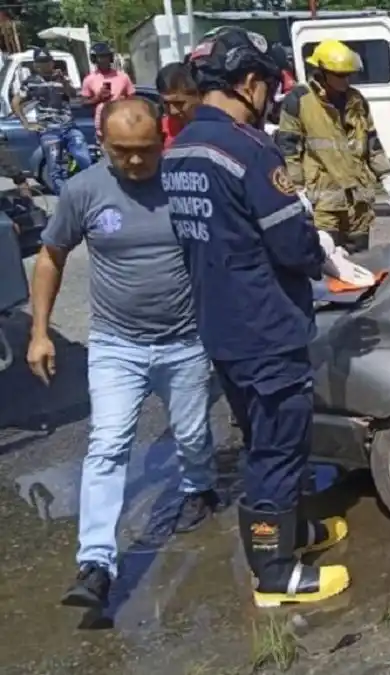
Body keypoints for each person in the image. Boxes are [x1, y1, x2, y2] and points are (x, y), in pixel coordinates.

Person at [161, 27, 351, 607]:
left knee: (260, 436)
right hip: (266, 326)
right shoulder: (249, 149)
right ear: (249, 83)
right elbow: (292, 246)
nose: (270, 96)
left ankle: (289, 535)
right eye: (267, 85)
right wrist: (322, 247)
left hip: (222, 325)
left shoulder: (184, 147)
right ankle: (275, 573)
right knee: (278, 447)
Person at [25, 98, 218, 610]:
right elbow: (50, 257)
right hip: (117, 346)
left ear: (163, 140)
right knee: (107, 445)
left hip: (185, 342)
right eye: (122, 152)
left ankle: (200, 486)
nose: (135, 162)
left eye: (146, 151)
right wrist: (40, 332)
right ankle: (95, 564)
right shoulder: (83, 190)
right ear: (102, 145)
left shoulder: (185, 184)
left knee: (195, 435)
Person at [275, 40, 390, 254]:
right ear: (322, 72)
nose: (347, 80)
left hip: (357, 199)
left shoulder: (356, 100)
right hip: (324, 201)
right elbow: (288, 147)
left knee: (361, 259)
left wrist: (386, 172)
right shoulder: (300, 99)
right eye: (341, 75)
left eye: (349, 75)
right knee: (329, 261)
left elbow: (371, 140)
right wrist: (296, 187)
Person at [12, 48, 91, 195]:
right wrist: (26, 123)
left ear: (52, 62)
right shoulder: (31, 83)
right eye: (41, 63)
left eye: (48, 62)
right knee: (55, 169)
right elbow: (16, 102)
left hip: (69, 127)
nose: (46, 65)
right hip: (48, 130)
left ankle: (91, 192)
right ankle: (66, 199)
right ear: (36, 65)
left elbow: (73, 95)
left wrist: (64, 81)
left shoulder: (61, 78)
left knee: (84, 158)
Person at [81, 42, 135, 136]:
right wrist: (98, 98)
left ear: (110, 58)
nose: (104, 60)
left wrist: (123, 101)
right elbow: (84, 103)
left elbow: (133, 99)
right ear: (94, 59)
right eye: (100, 57)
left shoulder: (123, 77)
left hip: (122, 121)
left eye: (106, 56)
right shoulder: (89, 79)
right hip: (102, 124)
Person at [156, 62, 201, 148]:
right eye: (166, 103)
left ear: (198, 96)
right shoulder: (159, 130)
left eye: (179, 103)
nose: (173, 111)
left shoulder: (215, 129)